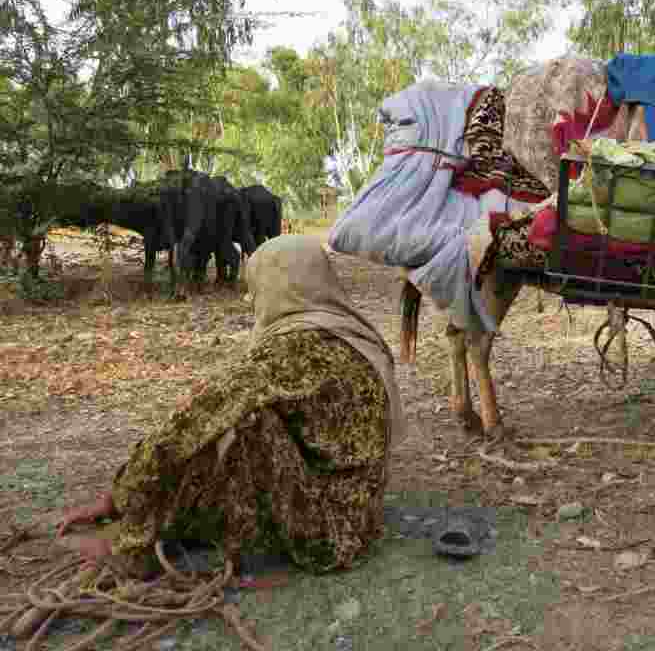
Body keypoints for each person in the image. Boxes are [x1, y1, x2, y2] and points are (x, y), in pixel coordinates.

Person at [56, 234, 406, 575]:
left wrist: (121, 493)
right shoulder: (355, 336)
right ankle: (162, 523)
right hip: (359, 517)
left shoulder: (296, 348)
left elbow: (195, 419)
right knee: (239, 419)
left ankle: (131, 548)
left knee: (238, 423)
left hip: (327, 535)